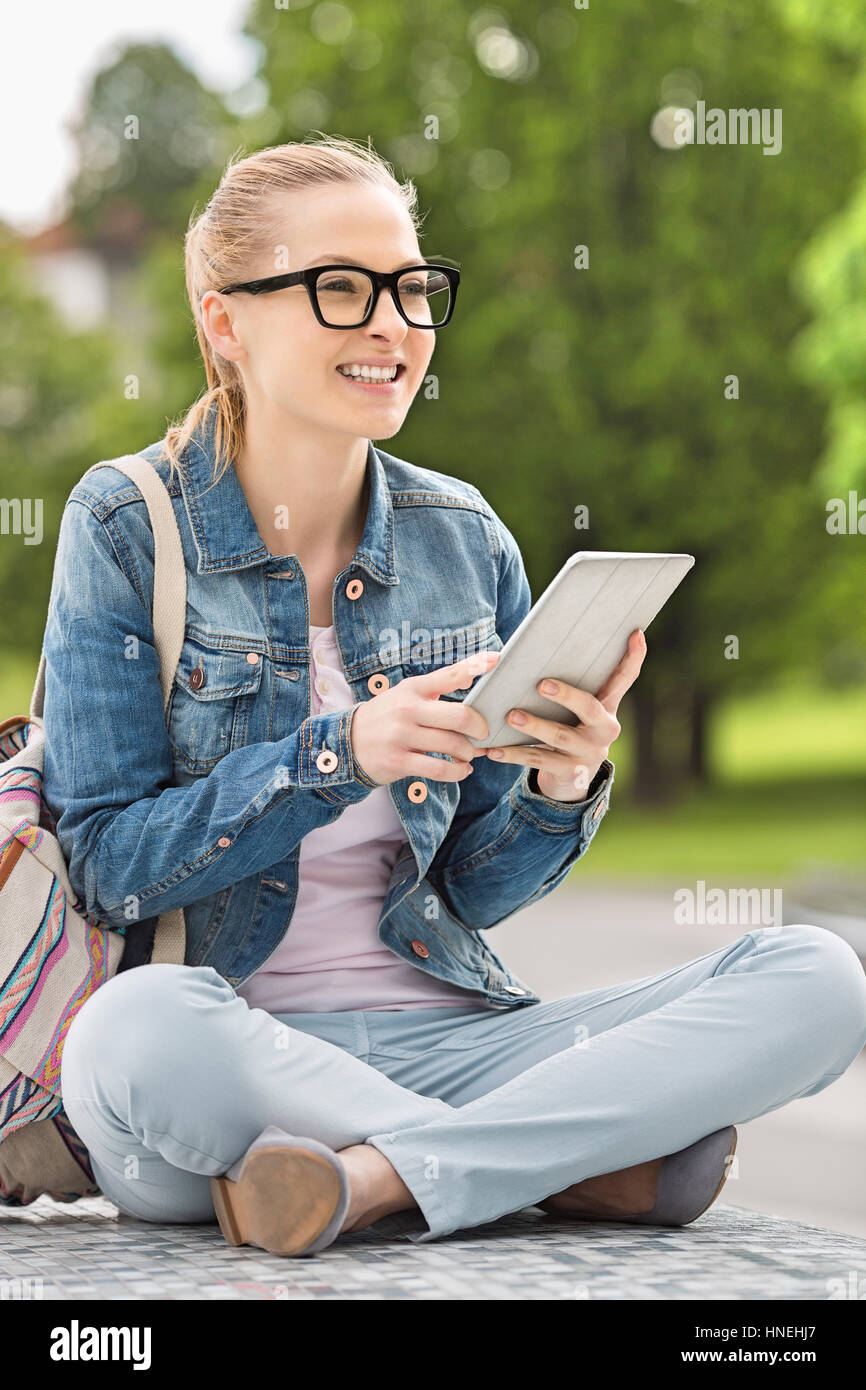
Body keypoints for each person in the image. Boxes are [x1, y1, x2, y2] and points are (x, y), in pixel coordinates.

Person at [48, 135, 866, 1256]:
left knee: (816, 975)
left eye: (411, 288)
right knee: (128, 1036)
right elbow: (104, 867)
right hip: (227, 1045)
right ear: (223, 322)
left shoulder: (460, 535)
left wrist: (555, 785)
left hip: (452, 1037)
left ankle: (369, 1179)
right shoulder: (125, 523)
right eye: (339, 288)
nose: (393, 324)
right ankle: (547, 1161)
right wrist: (334, 755)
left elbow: (471, 892)